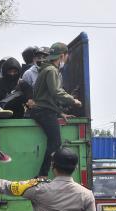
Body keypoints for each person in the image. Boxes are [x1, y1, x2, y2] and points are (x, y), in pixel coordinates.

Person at [28, 42, 82, 178]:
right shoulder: (51, 70)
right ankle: (42, 175)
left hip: (45, 110)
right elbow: (56, 92)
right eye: (66, 55)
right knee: (55, 143)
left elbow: (47, 96)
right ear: (62, 56)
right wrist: (73, 100)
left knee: (54, 142)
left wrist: (60, 113)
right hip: (43, 111)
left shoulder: (46, 69)